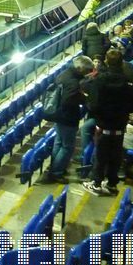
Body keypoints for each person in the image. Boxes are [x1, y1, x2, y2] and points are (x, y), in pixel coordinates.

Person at [82, 49, 133, 196]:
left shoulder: (99, 80)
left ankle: (96, 183)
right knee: (115, 155)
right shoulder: (128, 81)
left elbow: (93, 105)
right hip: (119, 127)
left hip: (103, 126)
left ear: (106, 61)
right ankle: (112, 184)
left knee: (100, 155)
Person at [42, 56, 94, 184]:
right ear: (80, 68)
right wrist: (84, 99)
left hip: (59, 115)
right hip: (67, 117)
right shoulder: (73, 82)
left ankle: (55, 168)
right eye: (86, 70)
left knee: (58, 143)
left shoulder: (64, 74)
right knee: (67, 146)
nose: (88, 73)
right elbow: (68, 100)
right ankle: (57, 172)